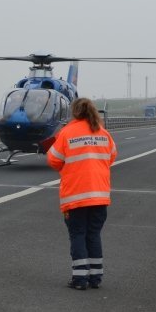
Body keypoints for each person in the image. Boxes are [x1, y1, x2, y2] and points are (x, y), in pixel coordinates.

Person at [47, 98, 117, 290]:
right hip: (100, 196)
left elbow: (53, 160)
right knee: (93, 235)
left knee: (78, 234)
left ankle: (80, 279)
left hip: (76, 196)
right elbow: (111, 156)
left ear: (75, 112)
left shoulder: (67, 132)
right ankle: (95, 277)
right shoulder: (103, 133)